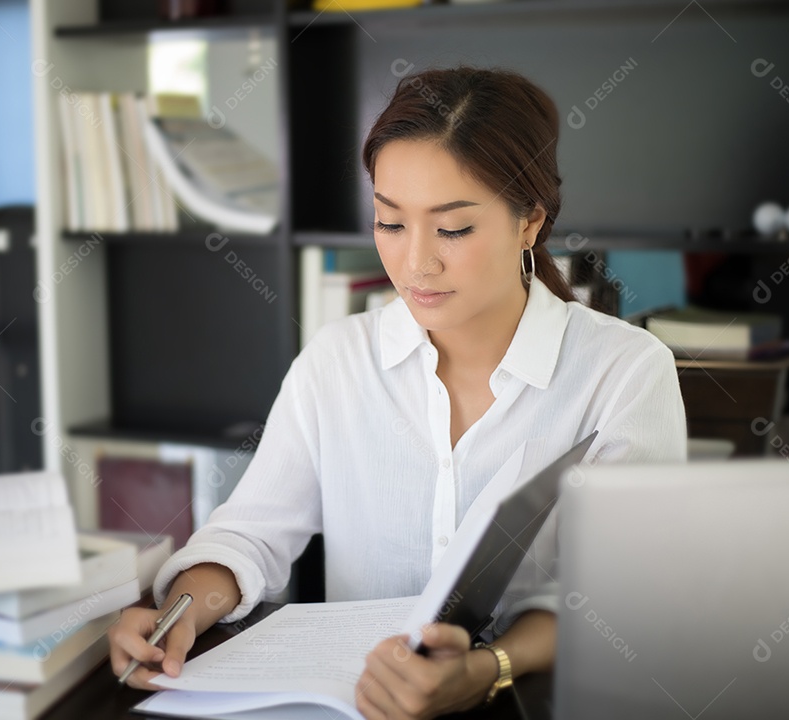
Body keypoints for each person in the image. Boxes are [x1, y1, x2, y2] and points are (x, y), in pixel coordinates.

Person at [109, 66, 686, 718]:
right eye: (390, 222)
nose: (417, 264)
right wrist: (174, 617)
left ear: (530, 222)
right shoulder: (338, 360)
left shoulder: (624, 372)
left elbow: (623, 600)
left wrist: (490, 667)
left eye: (453, 228)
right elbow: (249, 539)